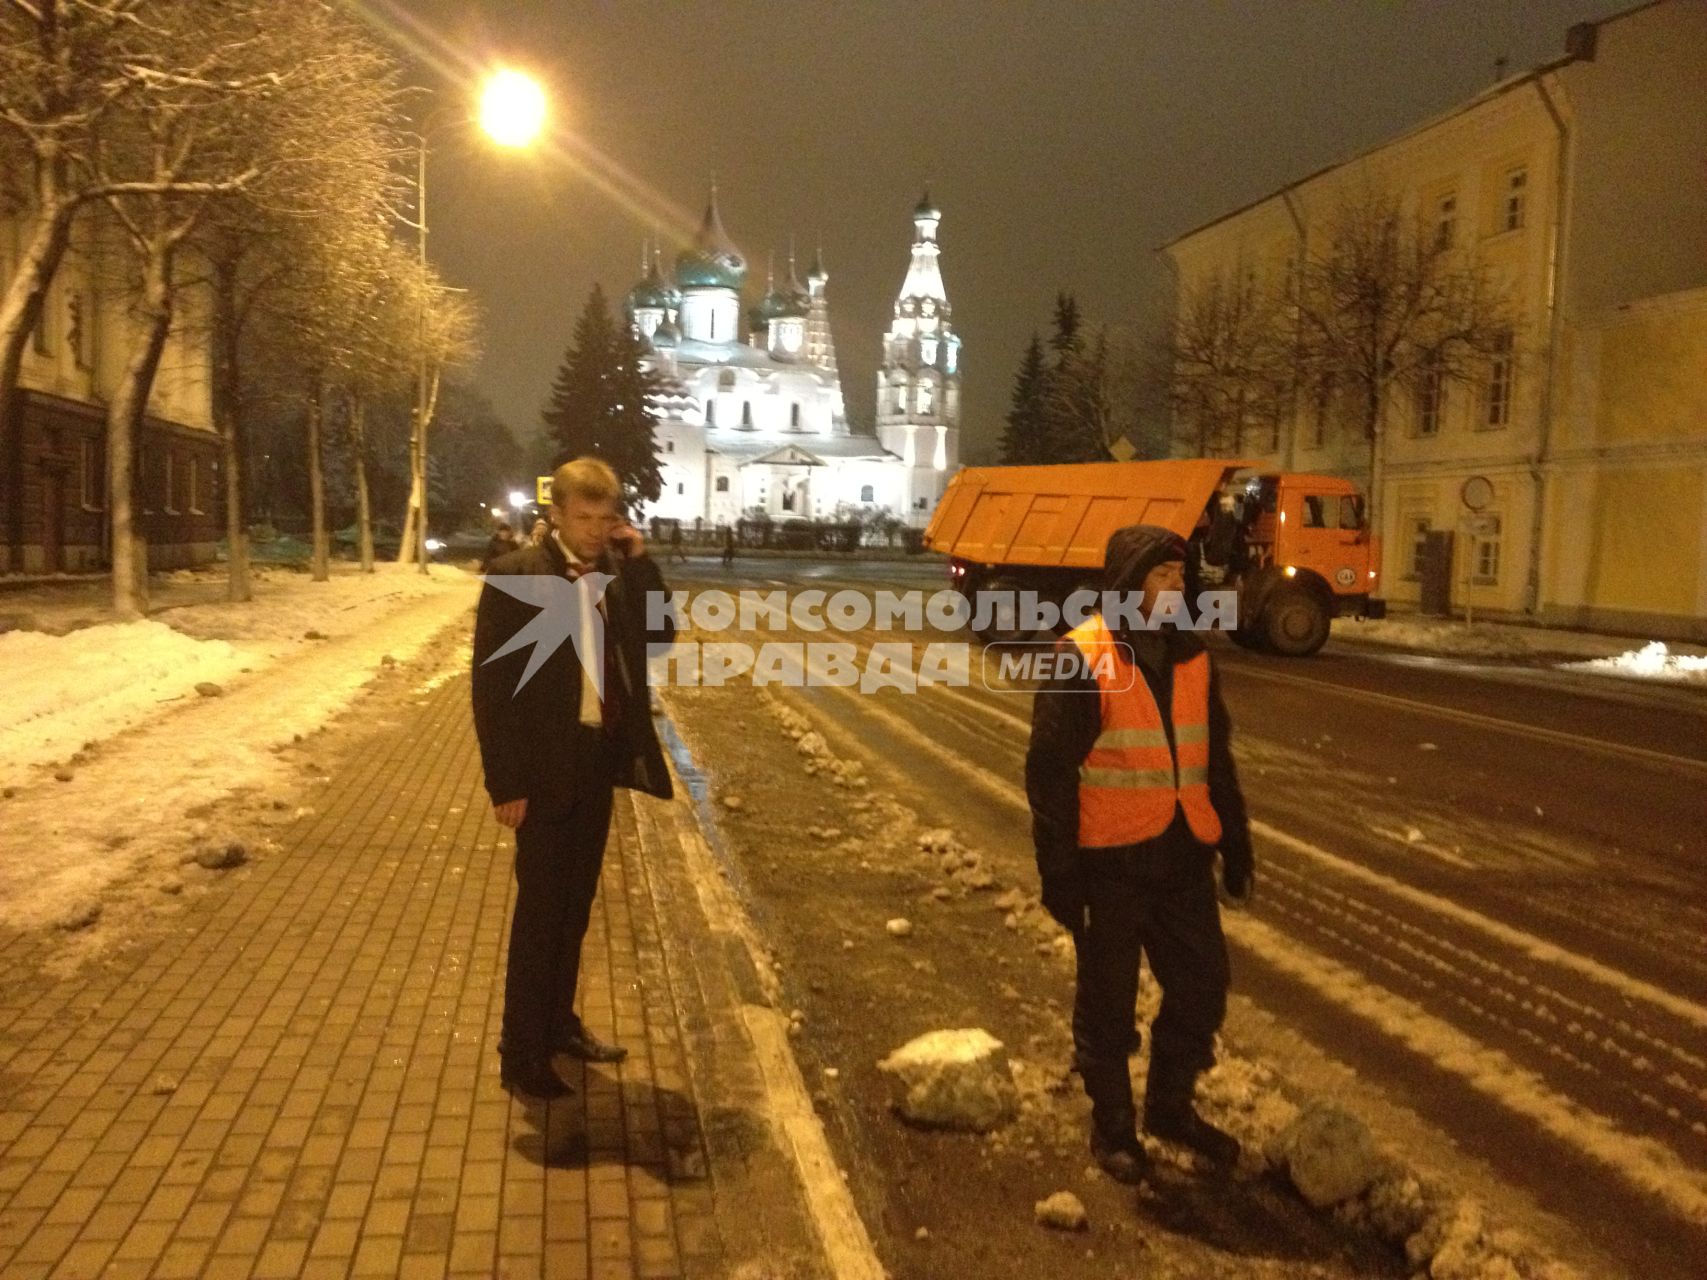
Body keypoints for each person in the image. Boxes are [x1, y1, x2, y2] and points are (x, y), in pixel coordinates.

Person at [1025, 523, 1255, 1184]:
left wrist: (1234, 843)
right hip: (1111, 867)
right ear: (1127, 584)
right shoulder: (1083, 655)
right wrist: (1059, 871)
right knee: (1107, 1003)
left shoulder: (1191, 656)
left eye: (1179, 578)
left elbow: (1215, 756)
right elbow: (1048, 772)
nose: (1174, 588)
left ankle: (1168, 1108)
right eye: (1160, 577)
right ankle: (1113, 1128)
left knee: (1201, 987)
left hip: (1182, 859)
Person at [471, 457, 676, 1100]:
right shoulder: (515, 577)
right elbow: (492, 686)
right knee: (540, 914)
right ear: (555, 513)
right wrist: (506, 783)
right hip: (542, 768)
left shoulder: (617, 572)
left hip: (596, 762)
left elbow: (662, 636)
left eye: (603, 519)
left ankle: (558, 1023)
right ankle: (520, 1052)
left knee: (575, 909)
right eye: (581, 518)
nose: (592, 531)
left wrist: (640, 563)